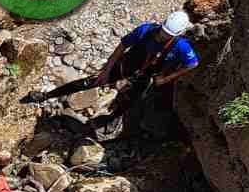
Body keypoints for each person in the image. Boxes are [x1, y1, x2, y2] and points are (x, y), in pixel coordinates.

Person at [23, 11, 199, 125]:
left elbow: (193, 64)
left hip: (149, 75)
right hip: (128, 64)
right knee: (89, 82)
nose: (162, 35)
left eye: (167, 34)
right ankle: (46, 95)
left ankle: (110, 119)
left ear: (178, 34)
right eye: (163, 31)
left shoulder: (182, 47)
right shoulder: (146, 30)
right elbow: (122, 46)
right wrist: (106, 70)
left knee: (132, 99)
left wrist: (165, 79)